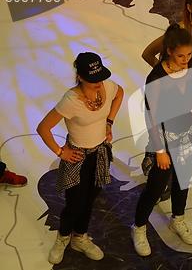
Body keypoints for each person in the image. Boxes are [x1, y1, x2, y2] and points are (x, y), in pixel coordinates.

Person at [37, 52, 124, 264]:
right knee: (74, 202)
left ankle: (80, 237)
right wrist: (60, 151)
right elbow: (43, 128)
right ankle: (63, 238)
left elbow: (120, 93)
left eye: (101, 77)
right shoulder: (71, 100)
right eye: (94, 79)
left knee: (90, 199)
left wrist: (109, 122)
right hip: (77, 156)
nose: (99, 83)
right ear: (81, 77)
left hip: (100, 152)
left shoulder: (107, 87)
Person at [131, 23, 192, 256]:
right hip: (163, 139)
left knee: (182, 181)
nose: (186, 60)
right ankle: (139, 226)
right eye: (181, 55)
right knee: (155, 186)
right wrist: (160, 151)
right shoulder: (156, 78)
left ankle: (178, 219)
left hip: (187, 135)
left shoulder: (189, 65)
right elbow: (150, 117)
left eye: (189, 55)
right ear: (170, 51)